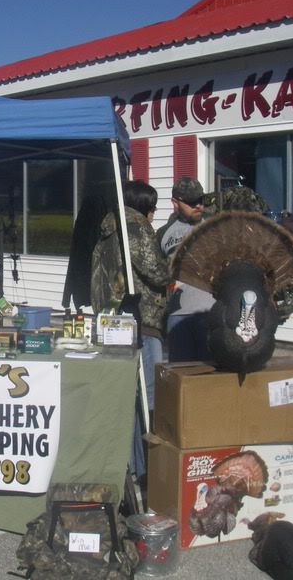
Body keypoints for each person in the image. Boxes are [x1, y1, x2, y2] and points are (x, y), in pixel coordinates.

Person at [122, 180, 170, 481]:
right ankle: (146, 470)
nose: (154, 213)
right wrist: (174, 264)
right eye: (151, 207)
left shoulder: (113, 222)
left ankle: (135, 465)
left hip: (123, 316)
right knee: (147, 396)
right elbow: (156, 271)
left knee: (130, 394)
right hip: (144, 320)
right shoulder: (137, 227)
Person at [157, 177, 215, 362]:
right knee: (181, 378)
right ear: (175, 202)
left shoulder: (217, 226)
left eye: (201, 200)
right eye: (191, 202)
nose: (198, 205)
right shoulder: (163, 233)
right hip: (178, 317)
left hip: (211, 313)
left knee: (212, 377)